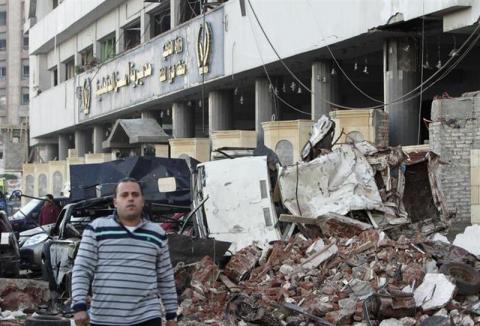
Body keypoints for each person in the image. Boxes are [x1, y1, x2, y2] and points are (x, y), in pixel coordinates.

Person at [71, 178, 177, 326]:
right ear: (115, 202)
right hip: (105, 318)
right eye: (124, 195)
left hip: (147, 317)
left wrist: (172, 315)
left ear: (142, 201)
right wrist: (79, 306)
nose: (130, 199)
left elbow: (165, 276)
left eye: (135, 194)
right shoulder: (96, 229)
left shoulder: (157, 233)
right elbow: (82, 269)